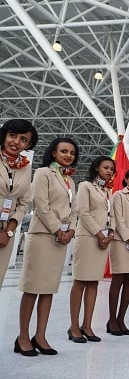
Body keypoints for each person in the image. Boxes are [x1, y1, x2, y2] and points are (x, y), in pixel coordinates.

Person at [16, 137, 79, 356]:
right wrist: (57, 229)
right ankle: (23, 336)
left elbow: (75, 210)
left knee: (49, 289)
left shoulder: (71, 181)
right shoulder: (44, 173)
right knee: (33, 288)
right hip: (43, 236)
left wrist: (71, 230)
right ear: (53, 153)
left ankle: (40, 335)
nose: (68, 156)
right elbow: (40, 204)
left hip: (60, 240)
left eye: (71, 152)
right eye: (64, 151)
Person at [68, 156, 115, 344]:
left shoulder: (108, 191)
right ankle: (73, 326)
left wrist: (110, 233)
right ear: (96, 168)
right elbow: (83, 212)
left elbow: (111, 216)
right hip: (88, 238)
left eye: (112, 168)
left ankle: (87, 325)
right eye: (106, 167)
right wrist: (99, 234)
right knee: (80, 282)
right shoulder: (86, 186)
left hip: (103, 240)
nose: (109, 171)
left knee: (94, 283)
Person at [0, 119, 37, 289]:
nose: (16, 142)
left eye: (23, 139)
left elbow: (24, 202)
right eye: (12, 135)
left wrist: (8, 231)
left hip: (6, 232)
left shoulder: (25, 167)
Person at [108, 168, 129, 336]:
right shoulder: (118, 196)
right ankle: (112, 319)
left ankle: (121, 318)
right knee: (118, 279)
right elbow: (118, 219)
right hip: (121, 242)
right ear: (126, 180)